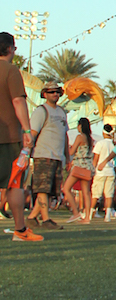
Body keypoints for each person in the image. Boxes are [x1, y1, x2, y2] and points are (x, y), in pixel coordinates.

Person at [0, 31, 42, 243]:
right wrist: (27, 131)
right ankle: (20, 230)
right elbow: (18, 101)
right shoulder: (11, 70)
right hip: (7, 137)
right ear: (9, 49)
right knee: (13, 184)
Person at [28, 82, 70, 229]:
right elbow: (33, 133)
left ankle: (32, 217)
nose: (55, 94)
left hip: (57, 156)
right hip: (43, 154)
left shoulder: (62, 112)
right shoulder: (41, 111)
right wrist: (26, 151)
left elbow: (65, 135)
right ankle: (46, 219)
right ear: (44, 94)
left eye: (57, 92)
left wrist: (68, 156)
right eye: (51, 92)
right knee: (42, 188)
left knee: (51, 190)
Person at [62, 117, 94, 222]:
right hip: (87, 167)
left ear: (80, 126)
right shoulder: (90, 139)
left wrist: (68, 147)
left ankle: (75, 212)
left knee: (66, 188)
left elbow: (71, 152)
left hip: (78, 166)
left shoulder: (79, 137)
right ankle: (87, 217)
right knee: (86, 192)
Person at [91, 124, 116, 220]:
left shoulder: (100, 143)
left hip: (100, 171)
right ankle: (108, 215)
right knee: (109, 194)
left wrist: (93, 169)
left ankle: (90, 212)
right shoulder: (113, 144)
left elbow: (96, 159)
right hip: (110, 171)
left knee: (96, 194)